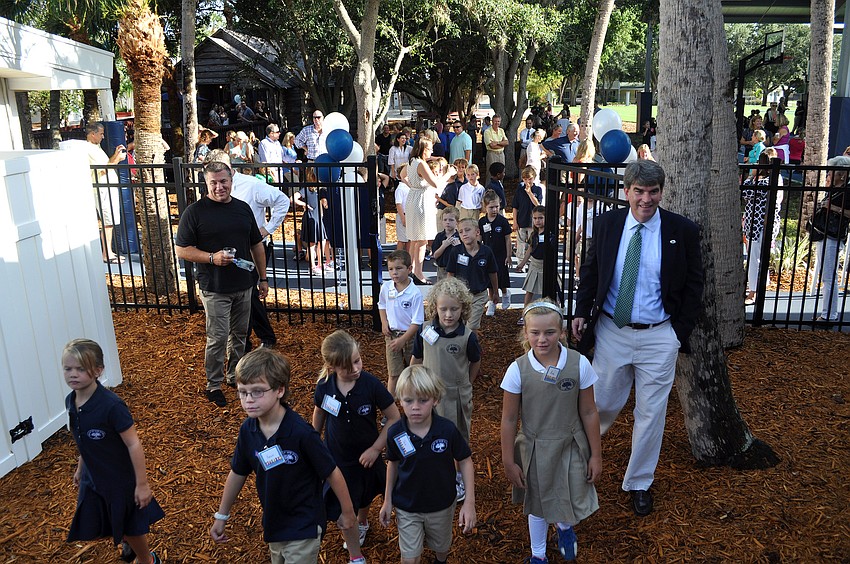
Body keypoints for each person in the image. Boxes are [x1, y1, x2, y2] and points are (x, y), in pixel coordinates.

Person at [571, 160, 704, 516]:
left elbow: (694, 285)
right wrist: (582, 311)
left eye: (653, 191)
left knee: (651, 414)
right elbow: (591, 271)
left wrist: (678, 334)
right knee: (601, 404)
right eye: (639, 191)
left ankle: (639, 482)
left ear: (662, 192)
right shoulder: (608, 224)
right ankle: (576, 466)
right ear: (626, 191)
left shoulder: (682, 231)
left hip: (660, 337)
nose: (646, 199)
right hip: (613, 332)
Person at [209, 348, 362, 564]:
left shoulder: (301, 433)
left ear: (280, 390)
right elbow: (238, 472)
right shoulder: (248, 430)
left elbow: (332, 472)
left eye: (257, 391)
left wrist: (348, 513)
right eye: (242, 392)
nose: (248, 400)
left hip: (304, 523)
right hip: (274, 522)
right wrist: (222, 515)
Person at [500, 301, 601, 562]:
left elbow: (589, 412)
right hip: (534, 447)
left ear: (562, 333)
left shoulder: (579, 364)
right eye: (535, 333)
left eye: (550, 333)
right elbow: (509, 419)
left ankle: (565, 528)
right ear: (526, 333)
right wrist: (508, 460)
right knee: (537, 503)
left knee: (565, 493)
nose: (542, 339)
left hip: (570, 444)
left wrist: (596, 455)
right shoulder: (517, 370)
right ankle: (538, 555)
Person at [62, 339, 164, 564]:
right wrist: (81, 467)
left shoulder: (112, 406)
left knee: (129, 525)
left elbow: (133, 444)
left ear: (98, 370)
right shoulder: (72, 400)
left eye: (80, 369)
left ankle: (148, 560)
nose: (73, 374)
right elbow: (83, 439)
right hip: (94, 476)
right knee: (104, 518)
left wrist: (142, 484)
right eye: (68, 369)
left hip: (119, 479)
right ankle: (128, 544)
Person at [175, 161, 268, 406]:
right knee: (217, 337)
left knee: (239, 335)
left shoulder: (242, 209)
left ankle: (233, 375)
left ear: (231, 180)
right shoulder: (194, 212)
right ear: (206, 184)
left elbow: (256, 245)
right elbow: (182, 250)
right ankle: (213, 384)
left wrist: (263, 278)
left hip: (244, 285)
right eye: (213, 183)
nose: (219, 187)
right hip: (214, 287)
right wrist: (211, 258)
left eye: (223, 181)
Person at [313, 330, 401, 554]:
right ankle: (355, 554)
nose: (355, 369)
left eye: (357, 361)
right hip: (338, 460)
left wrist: (375, 448)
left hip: (367, 456)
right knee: (346, 505)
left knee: (366, 491)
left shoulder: (370, 384)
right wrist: (315, 442)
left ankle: (363, 521)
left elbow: (394, 418)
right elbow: (319, 414)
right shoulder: (324, 386)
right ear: (332, 367)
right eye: (347, 367)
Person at [380, 365, 477, 564]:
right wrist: (387, 499)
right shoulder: (395, 433)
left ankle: (440, 560)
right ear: (400, 400)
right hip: (407, 505)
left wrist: (469, 502)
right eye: (408, 400)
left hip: (441, 504)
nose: (415, 407)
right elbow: (393, 463)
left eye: (423, 400)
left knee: (441, 547)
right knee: (410, 558)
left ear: (435, 399)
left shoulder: (447, 430)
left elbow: (465, 460)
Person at [204, 150, 290, 350]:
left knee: (248, 295)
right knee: (242, 296)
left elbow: (283, 200)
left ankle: (257, 339)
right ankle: (251, 340)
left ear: (229, 168)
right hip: (228, 254)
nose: (217, 178)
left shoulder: (252, 185)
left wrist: (266, 230)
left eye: (220, 170)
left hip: (252, 250)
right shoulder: (215, 187)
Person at [406, 138, 456, 283]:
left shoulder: (412, 161)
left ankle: (412, 269)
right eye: (429, 149)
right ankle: (419, 274)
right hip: (421, 202)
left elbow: (403, 176)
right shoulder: (420, 164)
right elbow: (435, 183)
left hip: (414, 198)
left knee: (415, 239)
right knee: (421, 240)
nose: (432, 151)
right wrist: (449, 173)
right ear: (422, 149)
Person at [378, 249, 425, 396]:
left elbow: (417, 322)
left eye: (399, 268)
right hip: (391, 336)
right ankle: (390, 406)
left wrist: (403, 340)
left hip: (410, 337)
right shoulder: (386, 287)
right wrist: (384, 322)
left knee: (413, 372)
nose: (394, 273)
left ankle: (414, 400)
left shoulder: (415, 293)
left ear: (409, 269)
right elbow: (382, 305)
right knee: (394, 373)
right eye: (391, 269)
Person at [810, 156, 850, 322]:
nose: (829, 174)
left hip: (834, 235)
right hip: (824, 233)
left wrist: (832, 207)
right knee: (825, 274)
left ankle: (829, 314)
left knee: (829, 275)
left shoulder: (847, 191)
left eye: (832, 171)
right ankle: (827, 312)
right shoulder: (833, 190)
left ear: (841, 174)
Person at [743, 152, 783, 306]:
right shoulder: (763, 181)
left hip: (760, 224)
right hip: (753, 224)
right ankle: (759, 287)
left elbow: (746, 191)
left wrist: (751, 177)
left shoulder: (765, 182)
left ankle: (753, 292)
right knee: (757, 257)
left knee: (755, 258)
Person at [446, 218, 499, 331]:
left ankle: (471, 348)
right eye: (461, 232)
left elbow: (492, 273)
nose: (464, 234)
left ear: (477, 232)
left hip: (479, 295)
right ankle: (465, 346)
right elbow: (450, 273)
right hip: (460, 295)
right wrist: (448, 293)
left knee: (472, 325)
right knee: (460, 325)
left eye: (467, 230)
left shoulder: (486, 252)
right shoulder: (456, 251)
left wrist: (495, 292)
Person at [85, 121, 126, 264]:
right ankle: (106, 252)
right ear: (93, 134)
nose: (103, 137)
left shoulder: (96, 148)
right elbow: (103, 169)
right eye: (101, 134)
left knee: (110, 220)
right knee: (107, 221)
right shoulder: (88, 149)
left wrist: (115, 155)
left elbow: (107, 164)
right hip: (102, 188)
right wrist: (118, 160)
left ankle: (109, 250)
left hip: (108, 187)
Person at [516, 206, 558, 316]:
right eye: (535, 218)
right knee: (529, 291)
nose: (537, 221)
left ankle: (555, 312)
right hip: (534, 264)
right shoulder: (534, 234)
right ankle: (525, 313)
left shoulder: (550, 234)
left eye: (540, 218)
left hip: (546, 265)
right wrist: (522, 263)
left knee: (550, 291)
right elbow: (530, 248)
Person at [293, 167, 331, 275]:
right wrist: (304, 205)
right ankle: (313, 266)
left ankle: (320, 263)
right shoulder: (307, 190)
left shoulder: (320, 190)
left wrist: (325, 203)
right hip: (310, 217)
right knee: (312, 243)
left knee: (322, 240)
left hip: (319, 218)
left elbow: (324, 202)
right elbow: (293, 198)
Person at [479, 190, 512, 313]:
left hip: (500, 254)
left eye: (497, 206)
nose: (494, 210)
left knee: (501, 277)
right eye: (491, 207)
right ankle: (492, 301)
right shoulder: (482, 222)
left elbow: (507, 238)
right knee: (489, 279)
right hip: (488, 255)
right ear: (485, 207)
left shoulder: (502, 221)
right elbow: (480, 238)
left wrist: (508, 255)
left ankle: (505, 294)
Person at [512, 166, 544, 266]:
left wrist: (530, 193)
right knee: (521, 241)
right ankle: (520, 260)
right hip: (522, 219)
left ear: (534, 178)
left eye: (529, 179)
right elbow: (515, 207)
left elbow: (538, 204)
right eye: (525, 179)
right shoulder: (519, 190)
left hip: (532, 222)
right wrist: (515, 221)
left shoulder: (538, 189)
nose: (527, 181)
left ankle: (531, 259)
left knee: (532, 241)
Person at [432, 206, 461, 280]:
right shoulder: (439, 236)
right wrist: (444, 246)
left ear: (457, 222)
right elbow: (435, 255)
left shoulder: (460, 237)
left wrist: (459, 247)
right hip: (442, 269)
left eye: (451, 220)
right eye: (445, 220)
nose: (447, 222)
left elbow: (464, 256)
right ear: (442, 221)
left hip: (457, 269)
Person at [483, 115, 509, 185]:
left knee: (501, 172)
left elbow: (507, 142)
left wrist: (497, 143)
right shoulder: (487, 132)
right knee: (491, 173)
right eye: (495, 121)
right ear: (492, 121)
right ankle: (489, 190)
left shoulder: (501, 130)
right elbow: (491, 146)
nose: (497, 123)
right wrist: (502, 145)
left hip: (501, 154)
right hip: (492, 154)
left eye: (498, 121)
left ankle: (500, 188)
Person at [394, 164, 411, 251]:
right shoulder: (400, 188)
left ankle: (409, 258)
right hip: (403, 215)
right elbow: (398, 204)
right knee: (402, 239)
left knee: (409, 239)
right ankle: (399, 257)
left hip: (411, 215)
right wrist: (403, 218)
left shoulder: (409, 187)